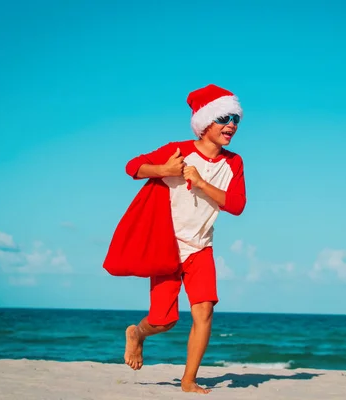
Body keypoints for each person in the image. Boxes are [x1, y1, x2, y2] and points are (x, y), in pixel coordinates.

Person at [120, 84, 247, 394]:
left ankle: (188, 380)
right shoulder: (179, 150)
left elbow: (237, 205)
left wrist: (200, 182)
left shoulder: (234, 163)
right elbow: (132, 167)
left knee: (204, 310)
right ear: (205, 123)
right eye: (223, 118)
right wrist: (164, 169)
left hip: (201, 247)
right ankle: (137, 334)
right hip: (167, 246)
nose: (231, 125)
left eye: (236, 119)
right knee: (164, 321)